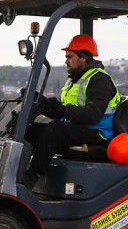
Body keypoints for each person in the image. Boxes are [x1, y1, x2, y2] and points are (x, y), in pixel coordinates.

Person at [24, 35, 121, 185]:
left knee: (54, 130)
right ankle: (16, 170)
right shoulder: (74, 80)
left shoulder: (99, 80)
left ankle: (31, 177)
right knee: (30, 129)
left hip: (96, 134)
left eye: (70, 56)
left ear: (83, 58)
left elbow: (92, 115)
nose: (66, 61)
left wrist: (60, 110)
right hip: (78, 129)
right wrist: (46, 106)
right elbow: (65, 111)